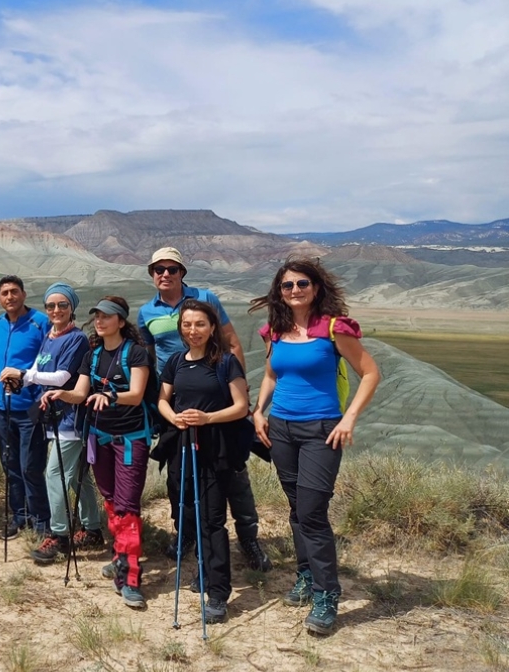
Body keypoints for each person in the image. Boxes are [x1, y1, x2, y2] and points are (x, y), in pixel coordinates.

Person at [250, 258, 381, 635]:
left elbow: (371, 373)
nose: (294, 290)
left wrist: (349, 417)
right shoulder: (275, 330)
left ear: (316, 287)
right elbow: (273, 373)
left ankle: (327, 594)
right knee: (296, 508)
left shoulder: (335, 328)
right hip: (281, 429)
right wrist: (259, 411)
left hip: (322, 430)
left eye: (302, 284)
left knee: (312, 512)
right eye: (287, 285)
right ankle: (306, 576)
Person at [137, 246, 271, 572]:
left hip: (218, 397)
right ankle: (185, 534)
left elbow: (233, 341)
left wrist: (238, 385)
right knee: (178, 477)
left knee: (233, 473)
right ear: (152, 274)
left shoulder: (205, 298)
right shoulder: (146, 312)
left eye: (171, 269)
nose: (165, 274)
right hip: (177, 404)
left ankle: (248, 539)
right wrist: (158, 405)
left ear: (183, 272)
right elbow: (148, 358)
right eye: (159, 269)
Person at [41, 296, 154, 610]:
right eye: (97, 317)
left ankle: (130, 576)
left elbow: (136, 395)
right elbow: (80, 393)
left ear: (120, 321)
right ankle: (120, 554)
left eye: (107, 316)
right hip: (99, 436)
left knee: (128, 505)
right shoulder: (91, 357)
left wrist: (109, 396)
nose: (100, 321)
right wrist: (59, 394)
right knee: (112, 501)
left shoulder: (136, 353)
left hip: (131, 439)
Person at [157, 300, 252, 624]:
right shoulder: (175, 362)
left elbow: (241, 406)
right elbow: (162, 400)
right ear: (180, 328)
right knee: (189, 514)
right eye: (187, 325)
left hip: (214, 449)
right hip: (182, 446)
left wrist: (206, 417)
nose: (193, 331)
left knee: (212, 520)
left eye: (200, 324)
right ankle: (203, 571)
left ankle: (218, 592)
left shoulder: (225, 362)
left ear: (212, 328)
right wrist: (175, 418)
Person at [26, 283, 104, 564]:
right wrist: (20, 378)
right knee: (77, 477)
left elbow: (61, 377)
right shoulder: (49, 336)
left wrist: (27, 376)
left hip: (72, 418)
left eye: (62, 305)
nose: (56, 310)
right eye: (50, 306)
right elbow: (36, 370)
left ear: (72, 308)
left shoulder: (76, 339)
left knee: (54, 475)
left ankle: (59, 535)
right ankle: (92, 528)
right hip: (56, 417)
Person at [0, 275, 51, 539]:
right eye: (4, 293)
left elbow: (49, 361)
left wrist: (25, 376)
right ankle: (20, 515)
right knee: (10, 464)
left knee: (31, 465)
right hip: (2, 407)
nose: (10, 297)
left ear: (24, 294)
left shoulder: (40, 323)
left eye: (14, 292)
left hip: (30, 407)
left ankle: (41, 519)